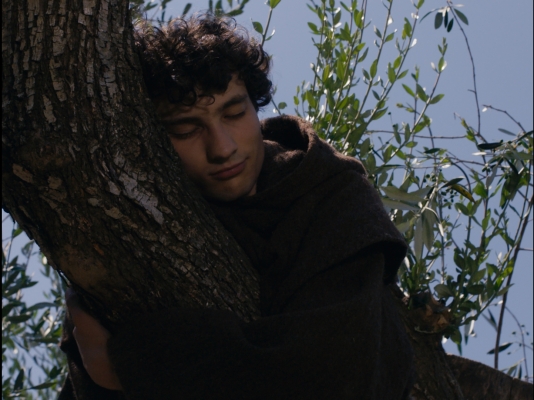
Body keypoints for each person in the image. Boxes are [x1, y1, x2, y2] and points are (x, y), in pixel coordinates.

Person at [60, 13, 415, 399]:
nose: (223, 147)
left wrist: (130, 366)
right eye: (186, 129)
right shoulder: (130, 223)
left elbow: (335, 371)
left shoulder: (330, 191)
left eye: (234, 114)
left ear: (255, 106)